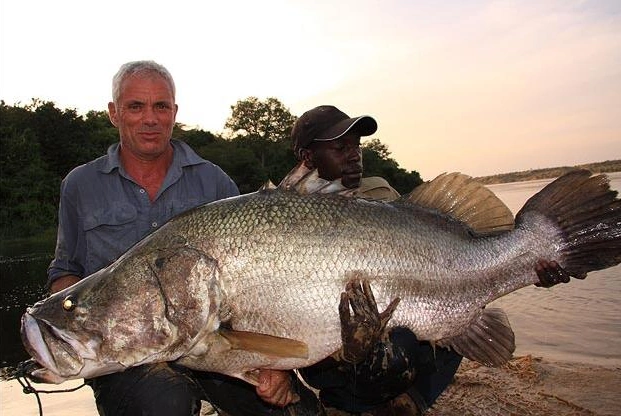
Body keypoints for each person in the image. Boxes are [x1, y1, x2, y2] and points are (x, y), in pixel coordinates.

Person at [46, 60, 320, 416]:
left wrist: (270, 363)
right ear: (114, 113)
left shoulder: (215, 181)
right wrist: (80, 326)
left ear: (174, 112)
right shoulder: (80, 186)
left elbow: (247, 287)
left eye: (161, 106)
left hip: (212, 347)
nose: (150, 118)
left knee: (293, 410)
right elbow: (65, 273)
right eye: (136, 106)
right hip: (131, 357)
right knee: (164, 400)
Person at [290, 105, 573, 415]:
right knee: (399, 346)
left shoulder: (379, 193)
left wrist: (526, 265)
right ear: (307, 157)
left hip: (393, 325)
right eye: (340, 147)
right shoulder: (283, 214)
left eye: (357, 145)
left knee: (451, 317)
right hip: (330, 348)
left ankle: (411, 402)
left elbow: (438, 255)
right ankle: (345, 406)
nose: (354, 154)